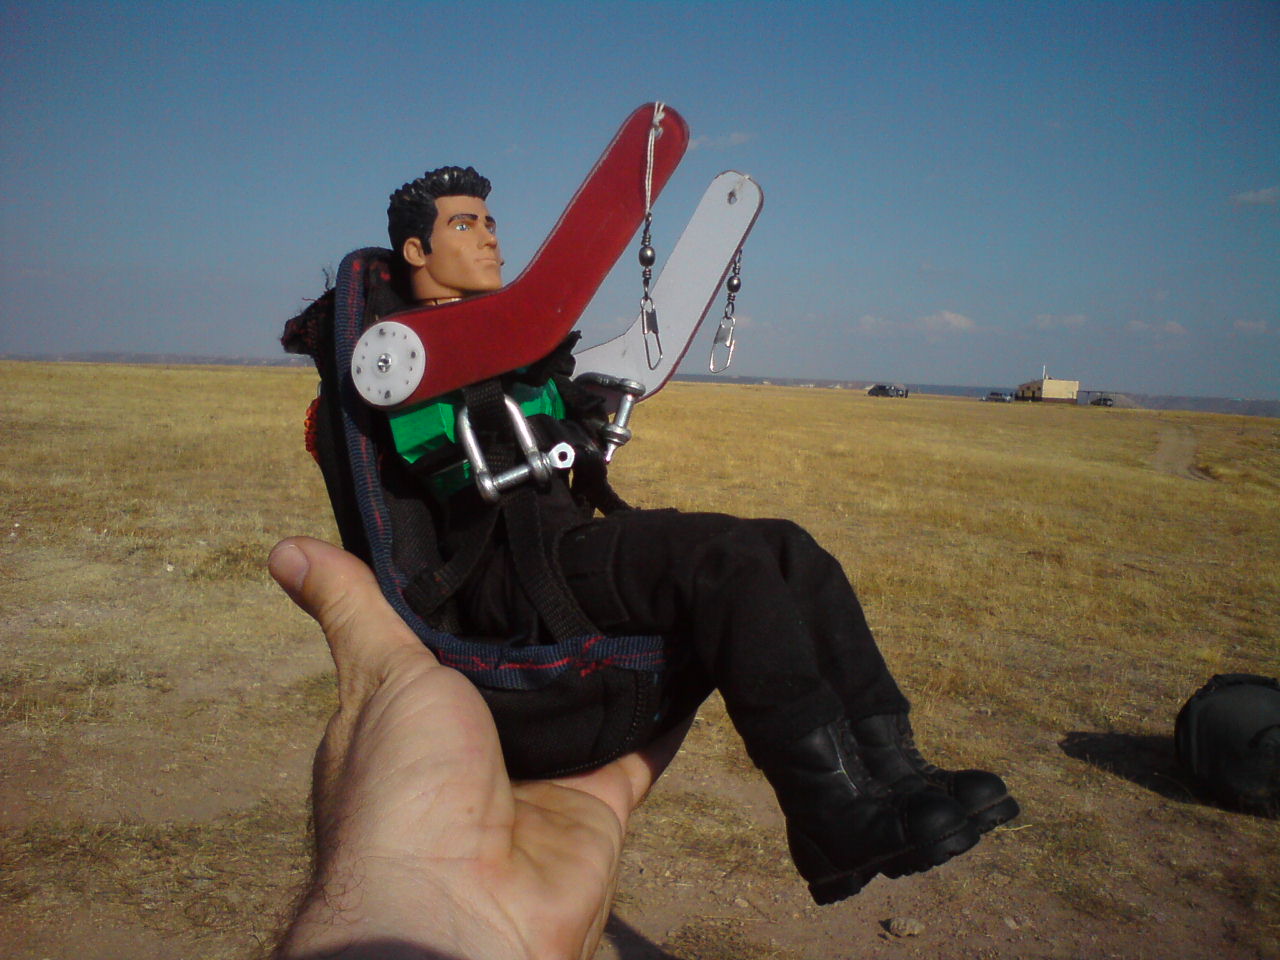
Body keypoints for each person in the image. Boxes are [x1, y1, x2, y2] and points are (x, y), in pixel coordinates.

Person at [283, 165, 1018, 911]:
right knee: (725, 563)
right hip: (510, 575)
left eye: (491, 222)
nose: (490, 239)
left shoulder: (513, 344)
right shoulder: (401, 356)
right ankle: (829, 811)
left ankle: (894, 773)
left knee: (789, 549)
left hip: (562, 540)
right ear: (416, 251)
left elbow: (555, 414)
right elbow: (434, 445)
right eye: (464, 225)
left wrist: (577, 403)